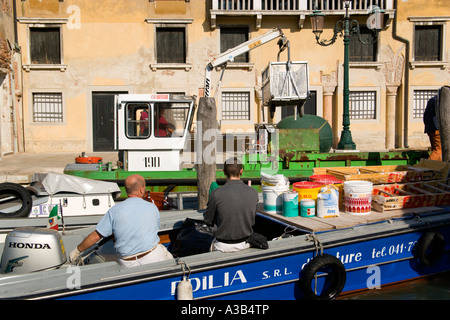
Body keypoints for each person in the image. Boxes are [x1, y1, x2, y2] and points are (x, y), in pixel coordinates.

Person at [69, 174, 173, 267]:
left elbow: (95, 237)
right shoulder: (152, 208)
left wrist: (77, 251)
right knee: (168, 256)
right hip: (152, 257)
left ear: (126, 190)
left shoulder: (114, 211)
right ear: (142, 190)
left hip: (128, 262)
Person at [204, 157, 258, 252]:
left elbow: (208, 221)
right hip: (244, 243)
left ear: (224, 172)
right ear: (241, 171)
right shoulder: (253, 192)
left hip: (222, 246)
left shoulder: (216, 193)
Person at [423, 95, 442, 161]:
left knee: (435, 150)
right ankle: (427, 167)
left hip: (430, 128)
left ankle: (437, 169)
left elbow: (425, 115)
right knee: (438, 150)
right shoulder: (441, 100)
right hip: (437, 128)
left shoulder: (432, 99)